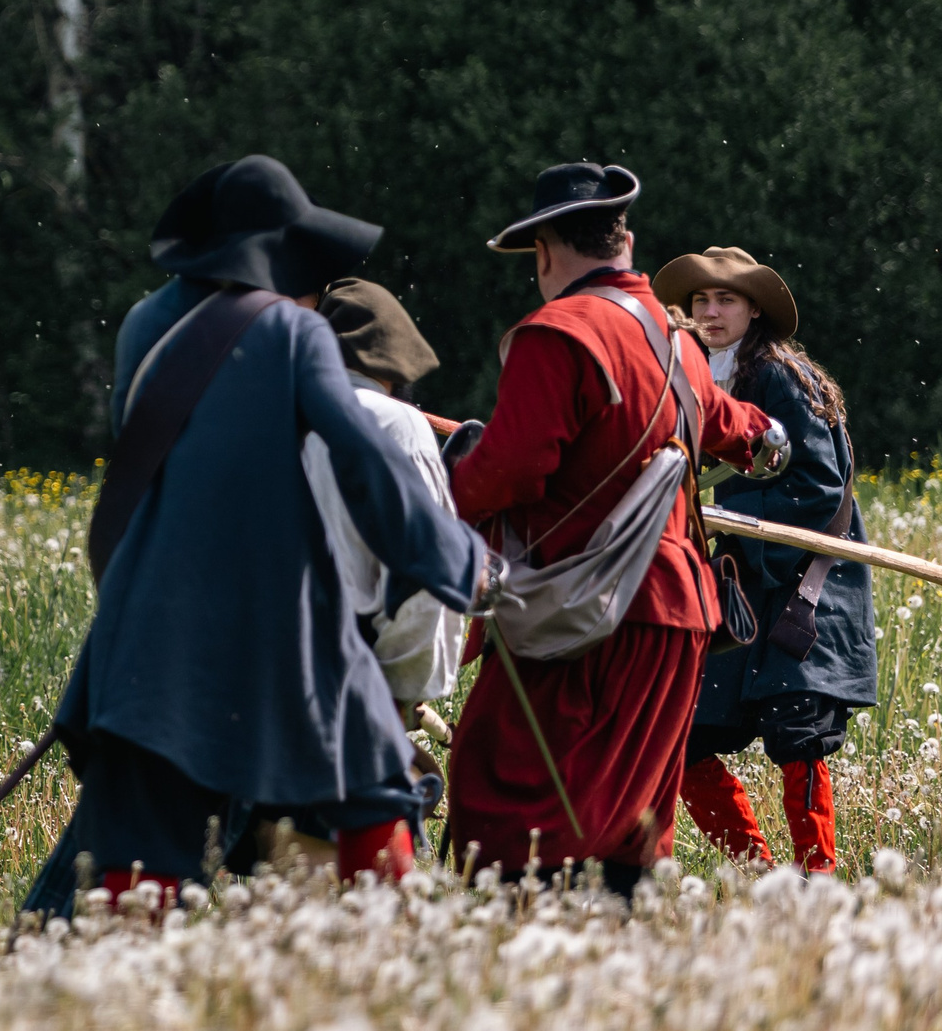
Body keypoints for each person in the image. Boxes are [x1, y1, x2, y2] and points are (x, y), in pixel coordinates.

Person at [24, 157, 495, 917]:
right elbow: (368, 466)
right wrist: (467, 566)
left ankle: (97, 995)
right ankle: (399, 956)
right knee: (374, 774)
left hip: (146, 628)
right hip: (273, 625)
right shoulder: (293, 331)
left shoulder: (144, 324)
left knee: (142, 843)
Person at [446, 165, 781, 891]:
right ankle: (613, 976)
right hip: (677, 617)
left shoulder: (554, 333)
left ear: (543, 250)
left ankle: (520, 975)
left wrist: (438, 499)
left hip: (581, 614)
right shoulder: (680, 342)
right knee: (630, 822)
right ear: (623, 239)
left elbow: (511, 470)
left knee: (500, 799)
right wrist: (766, 433)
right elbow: (744, 432)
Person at [655, 246, 871, 873]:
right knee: (686, 740)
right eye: (701, 301)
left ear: (753, 310)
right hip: (747, 581)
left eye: (725, 299)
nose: (711, 311)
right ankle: (756, 873)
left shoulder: (778, 375)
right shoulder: (700, 373)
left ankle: (816, 882)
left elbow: (819, 489)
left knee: (798, 735)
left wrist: (736, 522)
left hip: (804, 581)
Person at [302, 279, 465, 717]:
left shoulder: (278, 422)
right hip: (357, 679)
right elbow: (429, 575)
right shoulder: (398, 424)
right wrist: (397, 697)